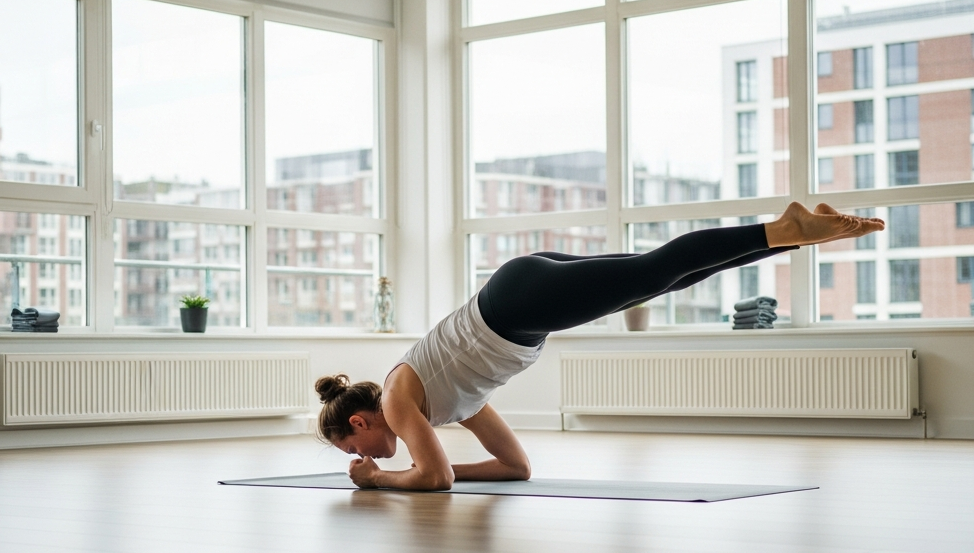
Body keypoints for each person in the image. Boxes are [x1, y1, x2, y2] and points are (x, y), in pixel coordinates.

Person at [315, 202, 884, 491]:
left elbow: (433, 480)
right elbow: (516, 468)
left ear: (361, 422)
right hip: (521, 298)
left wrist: (381, 483)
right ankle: (788, 233)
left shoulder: (397, 401)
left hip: (517, 305)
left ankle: (786, 229)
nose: (359, 460)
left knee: (655, 272)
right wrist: (428, 468)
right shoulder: (444, 401)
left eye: (350, 450)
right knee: (663, 276)